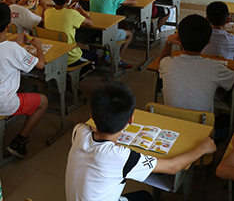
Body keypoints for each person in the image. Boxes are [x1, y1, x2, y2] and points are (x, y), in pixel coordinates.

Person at [66, 81, 216, 201]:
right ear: (131, 120)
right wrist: (203, 148)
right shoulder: (121, 156)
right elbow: (172, 167)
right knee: (145, 197)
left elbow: (91, 130)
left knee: (142, 196)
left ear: (92, 115)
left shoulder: (79, 131)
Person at [0, 2, 48, 158]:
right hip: (3, 103)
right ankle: (20, 140)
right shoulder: (13, 49)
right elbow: (40, 64)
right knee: (43, 101)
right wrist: (38, 46)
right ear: (9, 24)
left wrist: (15, 43)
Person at [157, 14, 234, 113]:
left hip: (170, 120)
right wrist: (225, 67)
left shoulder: (167, 64)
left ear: (179, 39)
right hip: (202, 122)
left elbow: (162, 60)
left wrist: (169, 41)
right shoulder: (215, 67)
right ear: (208, 42)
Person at [45, 0, 97, 69]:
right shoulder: (72, 14)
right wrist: (84, 13)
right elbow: (91, 23)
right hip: (70, 57)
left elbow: (61, 14)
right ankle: (79, 73)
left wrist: (68, 9)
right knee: (94, 56)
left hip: (53, 55)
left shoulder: (47, 12)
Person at [89, 0, 135, 69]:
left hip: (93, 32)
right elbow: (133, 2)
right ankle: (118, 58)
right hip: (109, 34)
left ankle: (106, 55)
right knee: (130, 34)